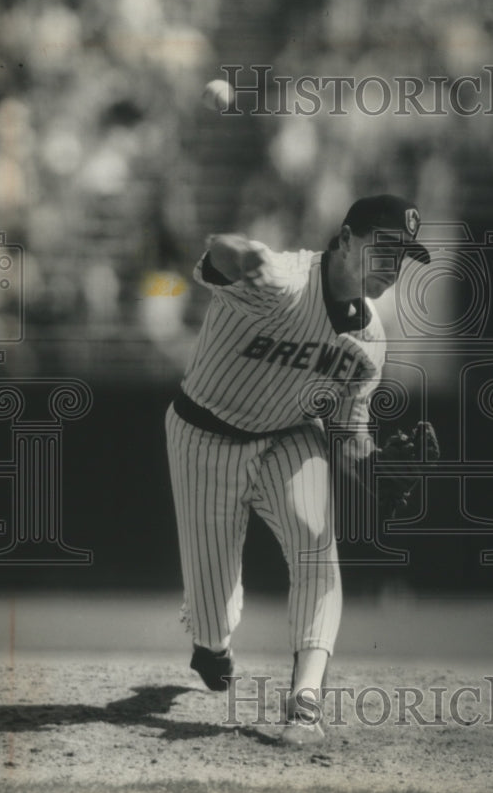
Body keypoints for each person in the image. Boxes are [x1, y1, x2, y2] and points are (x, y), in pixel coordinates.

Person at [165, 194, 430, 745]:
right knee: (213, 617)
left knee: (317, 548)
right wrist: (245, 254)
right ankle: (211, 647)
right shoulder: (281, 281)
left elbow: (349, 435)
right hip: (205, 434)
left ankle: (305, 704)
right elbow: (218, 252)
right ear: (347, 238)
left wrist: (375, 468)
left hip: (289, 435)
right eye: (385, 247)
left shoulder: (370, 343)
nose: (393, 264)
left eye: (405, 255)